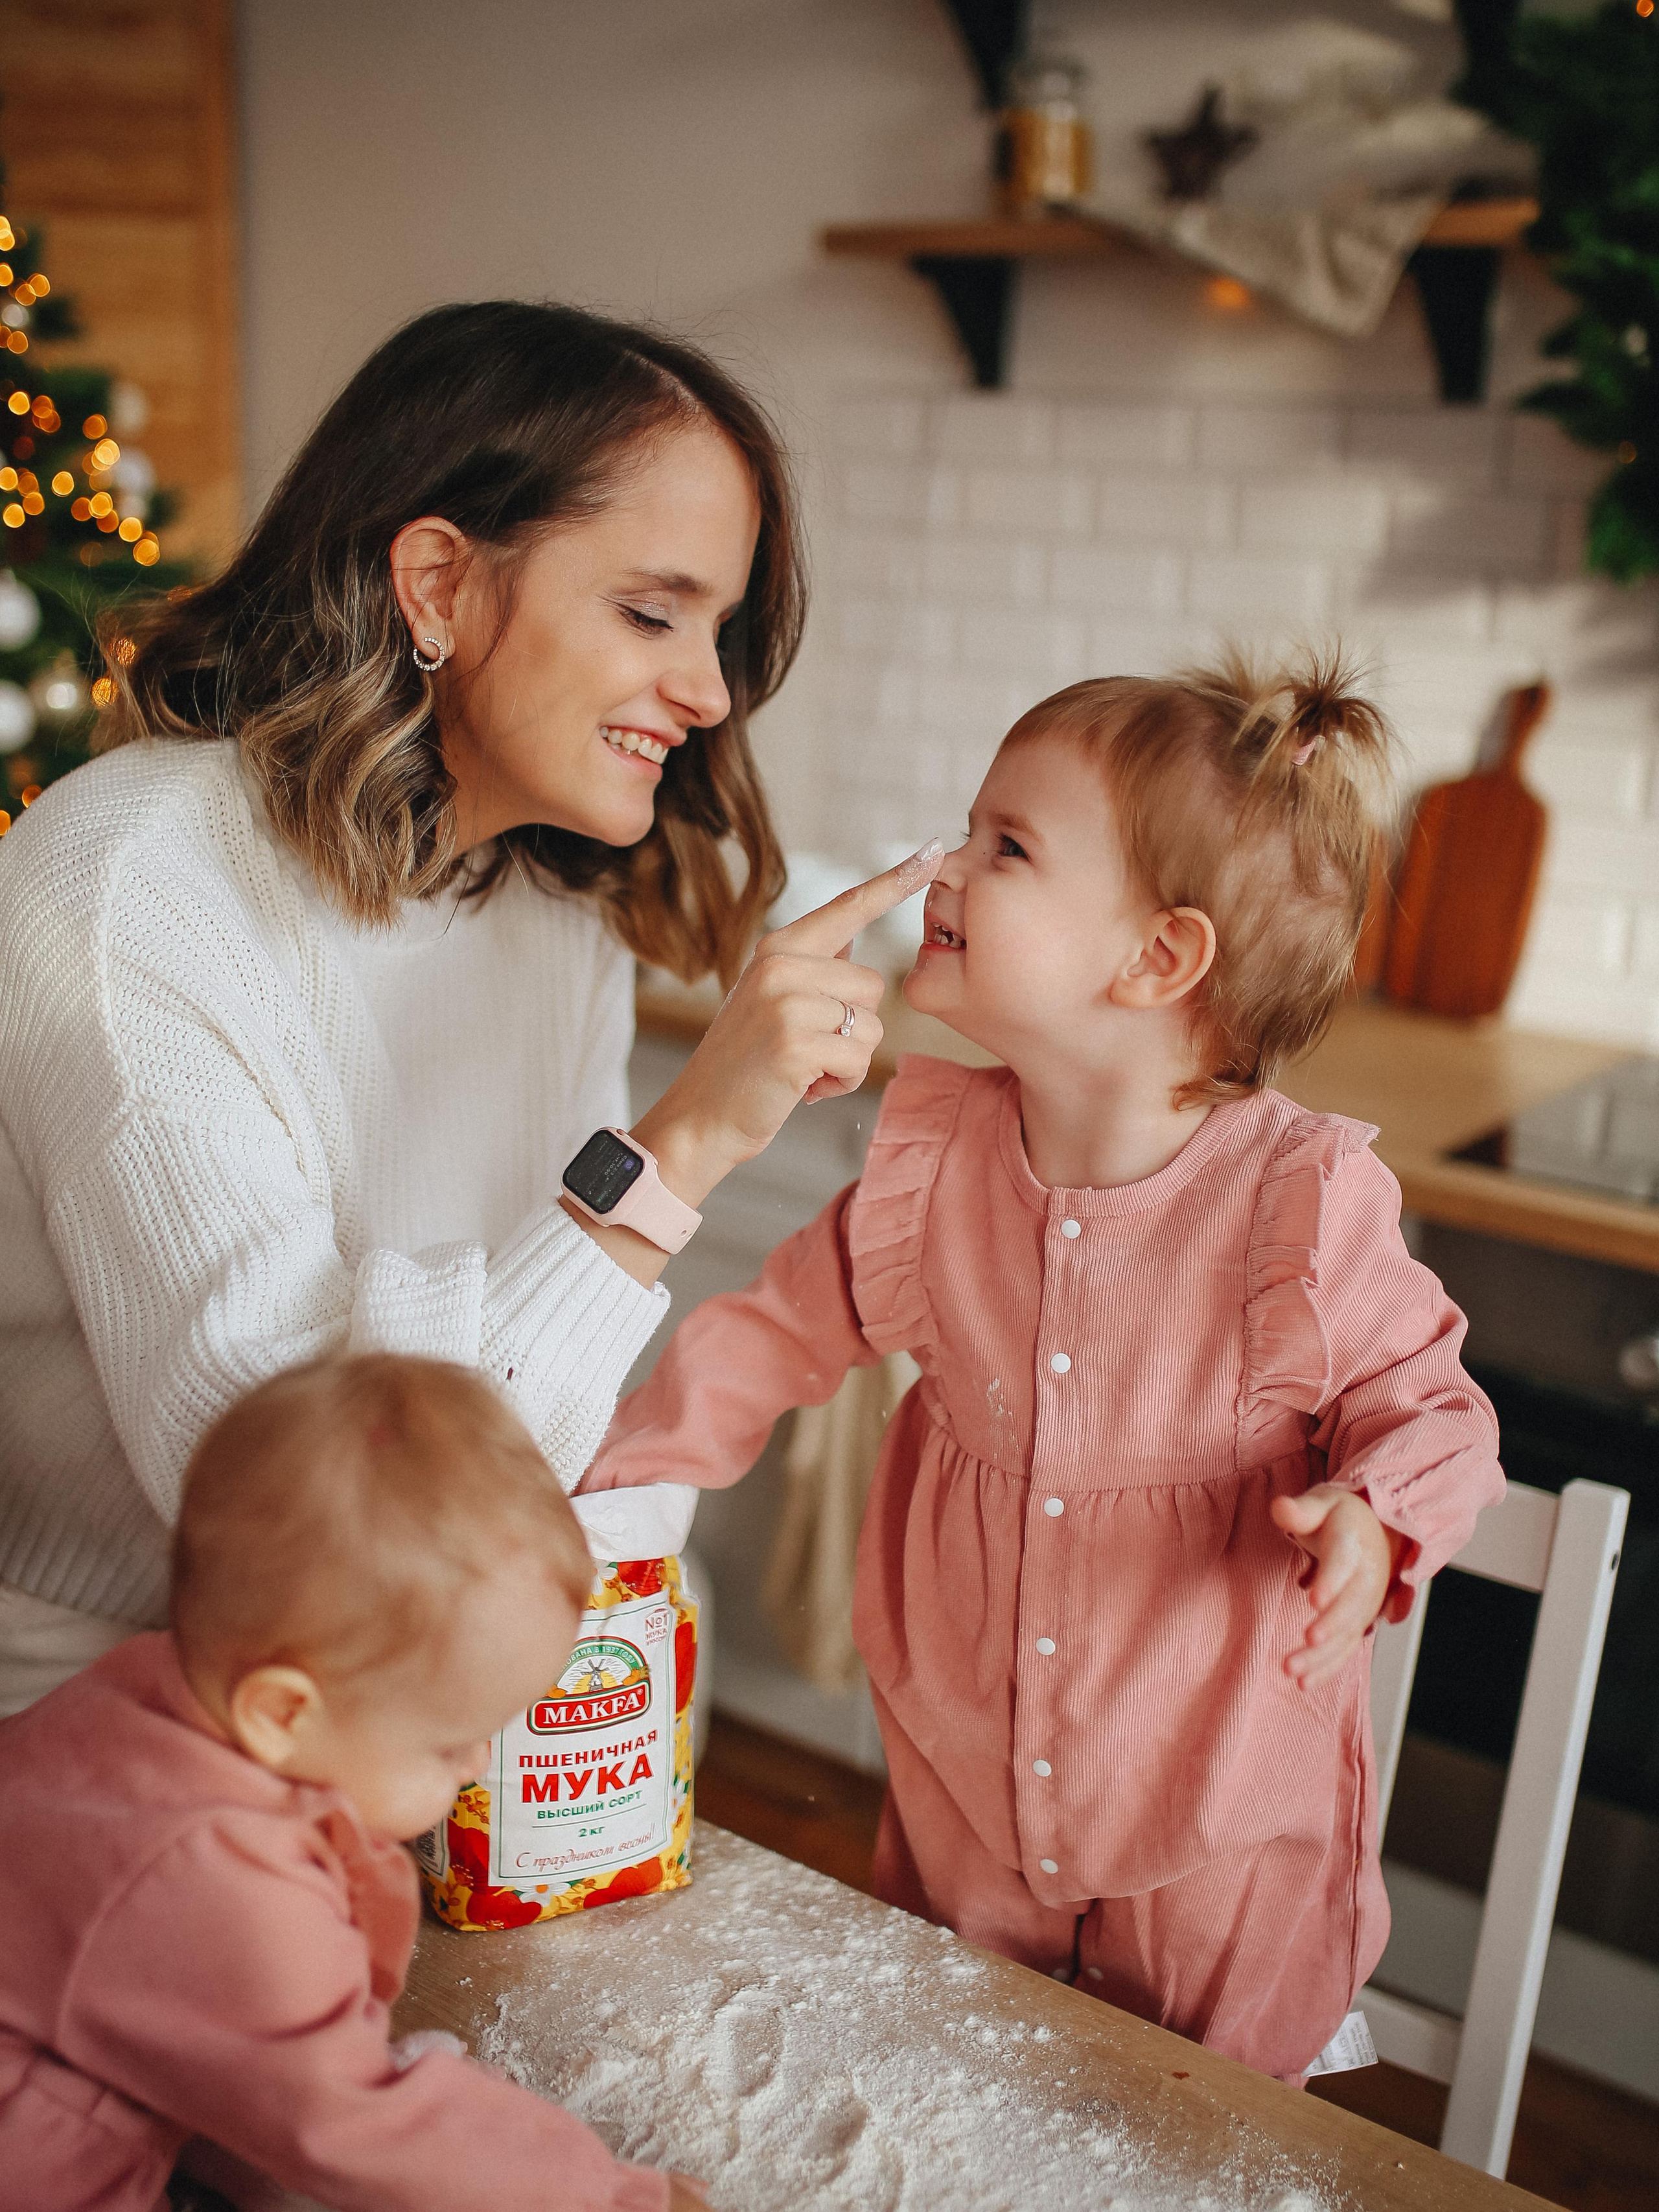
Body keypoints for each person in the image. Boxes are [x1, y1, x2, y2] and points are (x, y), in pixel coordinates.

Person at [0, 299, 938, 1713]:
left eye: (721, 628)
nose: (705, 690)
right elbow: (299, 1504)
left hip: (426, 1678)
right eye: (649, 612)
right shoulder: (128, 884)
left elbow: (526, 1382)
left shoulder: (554, 908)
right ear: (436, 584)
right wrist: (678, 1150)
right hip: (111, 1709)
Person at [581, 652, 1506, 2082]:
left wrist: (1374, 1516)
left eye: (1004, 846)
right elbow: (762, 1339)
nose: (945, 865)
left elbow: (1431, 1404)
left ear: (1159, 959)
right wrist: (602, 1502)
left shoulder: (1301, 1203)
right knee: (963, 2096)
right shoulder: (929, 1164)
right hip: (963, 1789)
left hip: (1214, 1812)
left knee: (1190, 2137)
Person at [0, 1352, 713, 2212]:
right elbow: (358, 2127)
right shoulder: (215, 1885)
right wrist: (611, 2197)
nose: (475, 1768)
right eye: (447, 1745)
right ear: (281, 1712)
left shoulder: (147, 1691)